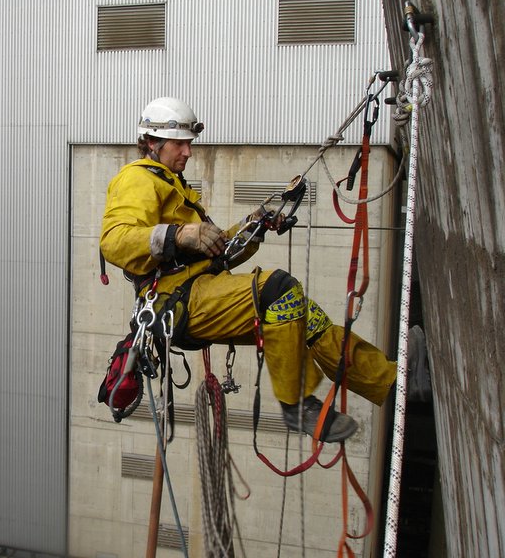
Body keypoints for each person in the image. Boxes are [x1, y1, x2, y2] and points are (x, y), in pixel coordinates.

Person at [99, 96, 397, 442]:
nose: (188, 152)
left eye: (189, 143)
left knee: (305, 315)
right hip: (178, 300)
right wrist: (178, 234)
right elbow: (114, 240)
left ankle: (386, 381)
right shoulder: (137, 179)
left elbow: (217, 254)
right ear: (153, 142)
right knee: (280, 290)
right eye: (179, 144)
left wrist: (254, 225)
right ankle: (297, 405)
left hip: (199, 289)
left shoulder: (173, 185)